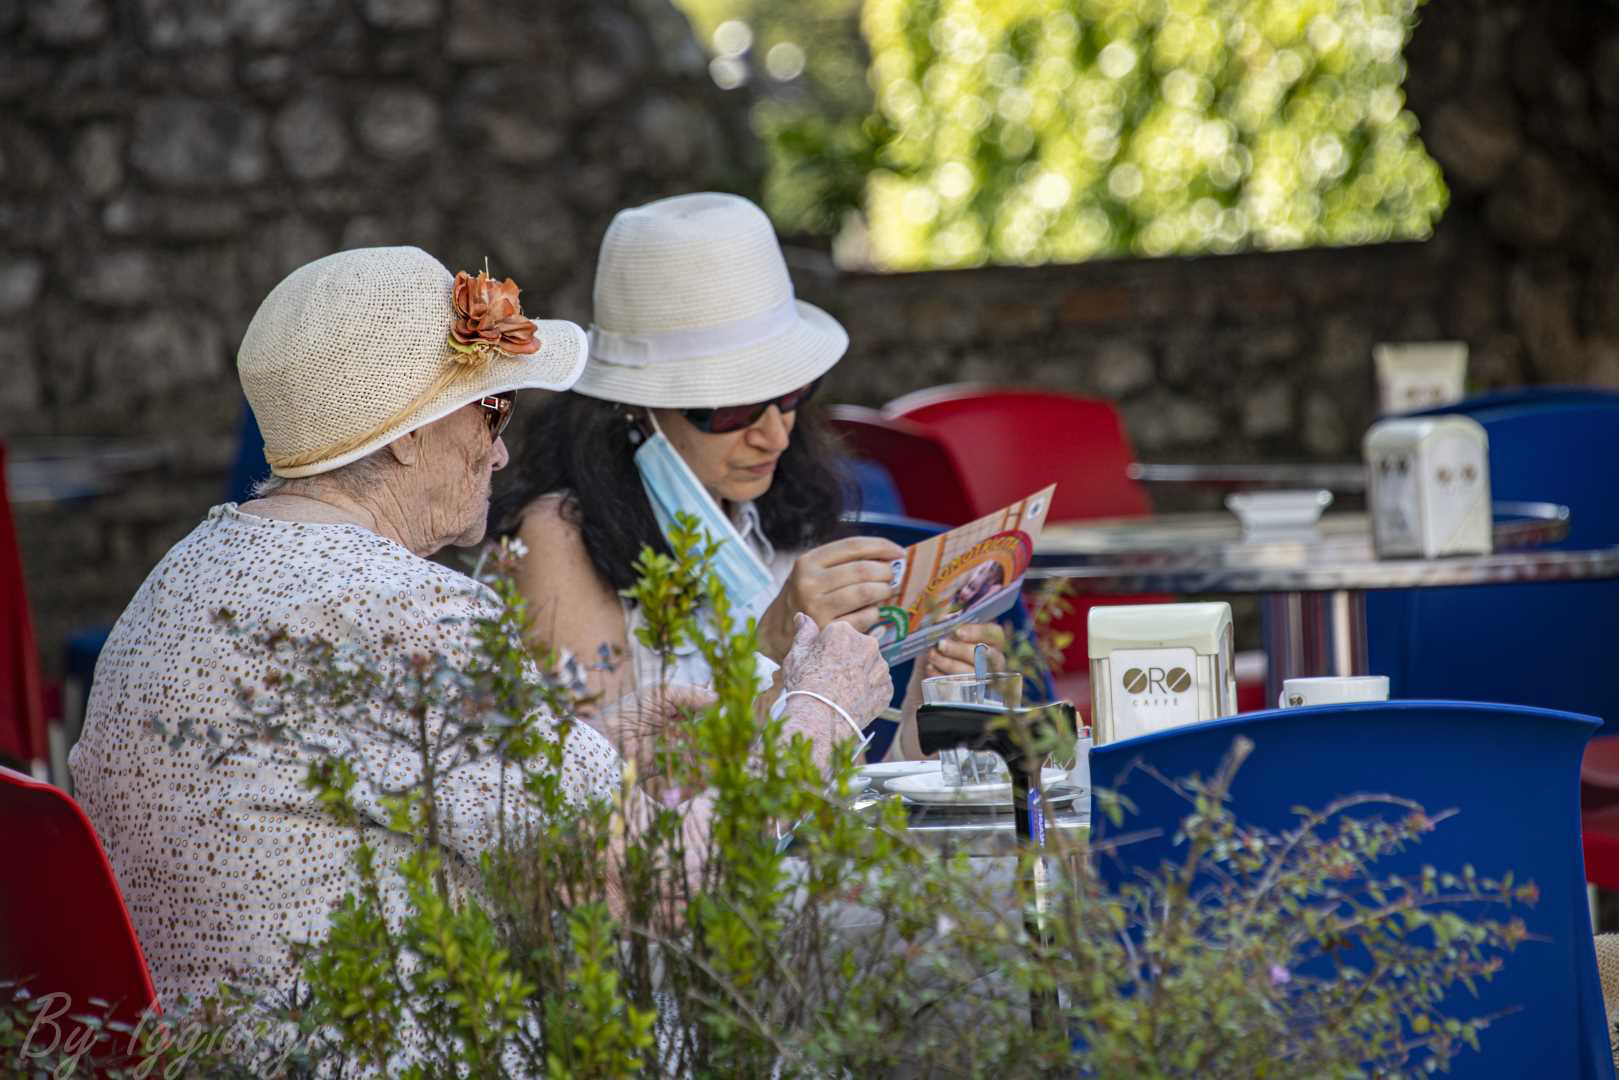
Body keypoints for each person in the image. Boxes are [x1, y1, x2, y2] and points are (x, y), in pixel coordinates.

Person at [68, 246, 890, 1010]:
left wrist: (602, 742)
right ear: (408, 437)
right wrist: (823, 712)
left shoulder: (179, 576)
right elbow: (657, 883)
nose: (499, 454)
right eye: (491, 409)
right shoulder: (409, 612)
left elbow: (369, 781)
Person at [490, 194, 1001, 760]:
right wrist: (769, 651)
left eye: (792, 394)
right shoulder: (560, 539)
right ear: (637, 403)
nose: (775, 435)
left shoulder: (778, 511)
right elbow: (597, 785)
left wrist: (934, 711)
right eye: (734, 411)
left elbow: (835, 787)